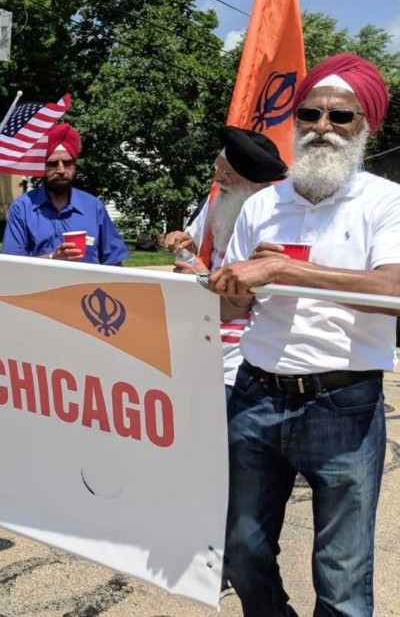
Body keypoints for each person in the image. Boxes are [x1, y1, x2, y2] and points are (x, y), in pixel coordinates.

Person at [210, 53, 399, 617]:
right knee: (241, 552)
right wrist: (232, 288)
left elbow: (392, 288)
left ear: (368, 126)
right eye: (311, 113)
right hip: (255, 395)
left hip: (344, 401)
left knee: (342, 581)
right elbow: (229, 310)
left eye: (340, 117)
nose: (322, 127)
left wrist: (288, 271)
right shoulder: (264, 203)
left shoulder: (385, 202)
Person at [167, 126, 288, 396]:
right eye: (216, 169)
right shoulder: (216, 202)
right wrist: (183, 240)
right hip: (205, 341)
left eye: (227, 173)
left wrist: (202, 276)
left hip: (241, 358)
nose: (218, 179)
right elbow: (195, 240)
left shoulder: (276, 219)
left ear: (252, 183)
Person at [1, 122, 128, 264]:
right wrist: (52, 259)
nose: (61, 170)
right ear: (42, 165)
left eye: (67, 163)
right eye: (53, 164)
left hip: (86, 285)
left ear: (75, 164)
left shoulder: (93, 207)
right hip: (41, 286)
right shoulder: (22, 209)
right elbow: (12, 265)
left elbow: (114, 262)